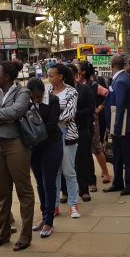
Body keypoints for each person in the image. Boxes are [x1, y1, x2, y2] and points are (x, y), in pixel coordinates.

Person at [0, 61, 34, 251]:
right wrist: (0, 120)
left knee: (23, 190)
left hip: (16, 144)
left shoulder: (22, 93)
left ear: (7, 77)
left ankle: (26, 235)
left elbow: (17, 111)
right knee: (2, 192)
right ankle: (3, 232)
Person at [27, 78, 62, 238]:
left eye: (38, 96)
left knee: (49, 183)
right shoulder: (26, 103)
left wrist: (33, 134)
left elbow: (51, 124)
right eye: (33, 97)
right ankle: (43, 216)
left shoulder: (53, 100)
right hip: (35, 148)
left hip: (51, 145)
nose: (36, 99)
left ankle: (49, 221)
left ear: (42, 92)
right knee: (40, 183)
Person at [47, 64, 81, 218]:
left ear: (60, 76)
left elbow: (69, 113)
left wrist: (51, 121)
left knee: (68, 171)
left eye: (51, 75)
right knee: (54, 172)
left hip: (67, 134)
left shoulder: (71, 91)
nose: (49, 78)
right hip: (51, 136)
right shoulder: (48, 92)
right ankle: (54, 206)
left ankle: (73, 204)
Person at [104, 55, 130, 195]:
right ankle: (118, 182)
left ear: (112, 65)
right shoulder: (121, 78)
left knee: (128, 156)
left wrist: (116, 126)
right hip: (119, 123)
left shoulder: (121, 81)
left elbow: (120, 105)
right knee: (117, 155)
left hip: (124, 124)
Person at [70, 63, 95, 202]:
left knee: (81, 159)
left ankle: (84, 189)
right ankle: (66, 191)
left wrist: (75, 114)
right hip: (64, 131)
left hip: (81, 129)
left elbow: (91, 108)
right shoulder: (56, 91)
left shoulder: (84, 89)